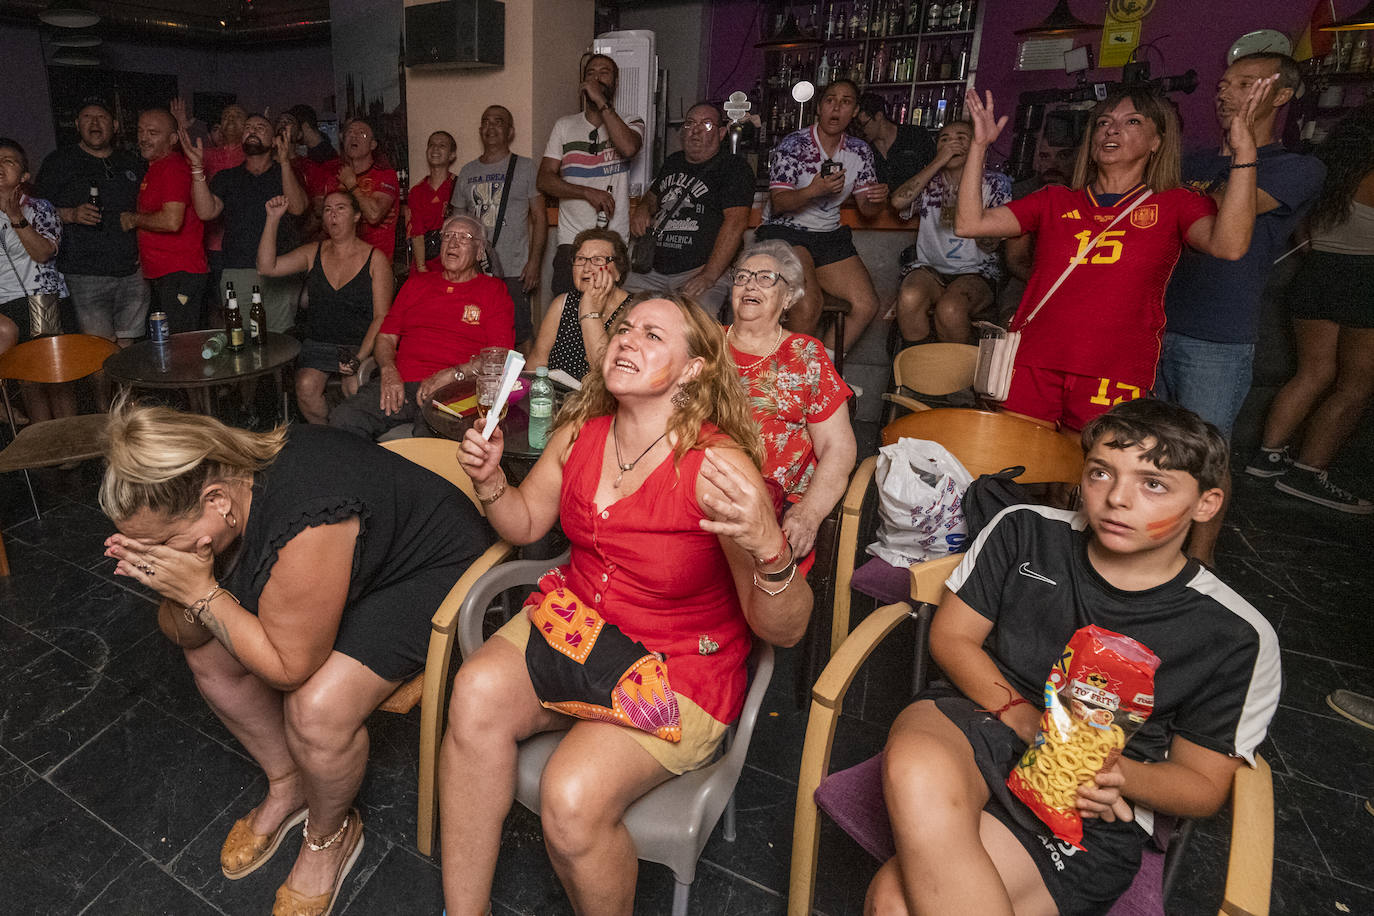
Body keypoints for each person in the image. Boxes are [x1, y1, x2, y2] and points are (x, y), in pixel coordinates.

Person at [439, 292, 812, 915]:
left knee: (571, 796)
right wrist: (491, 481)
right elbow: (526, 522)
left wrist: (771, 549)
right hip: (577, 626)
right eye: (624, 328)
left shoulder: (717, 467)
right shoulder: (580, 432)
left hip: (677, 665)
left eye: (653, 335)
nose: (627, 340)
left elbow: (786, 630)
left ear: (693, 370)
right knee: (473, 691)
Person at [866, 398, 1281, 916]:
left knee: (894, 902)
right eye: (1101, 473)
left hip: (1093, 795)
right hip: (981, 715)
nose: (1117, 499)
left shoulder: (1235, 634)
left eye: (1153, 484)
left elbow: (1202, 786)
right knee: (917, 769)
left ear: (1206, 503)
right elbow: (952, 638)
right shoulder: (1026, 530)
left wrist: (1115, 775)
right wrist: (1024, 718)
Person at [99, 400, 493, 916]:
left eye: (161, 544)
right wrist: (182, 587)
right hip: (352, 566)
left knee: (316, 710)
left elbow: (290, 669)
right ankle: (289, 784)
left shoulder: (305, 519)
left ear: (216, 500)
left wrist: (198, 591)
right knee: (211, 656)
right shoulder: (228, 502)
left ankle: (330, 835)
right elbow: (186, 637)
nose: (154, 559)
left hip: (433, 568)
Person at [954, 81, 1274, 432]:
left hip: (1115, 369)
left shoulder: (1176, 203)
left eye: (1132, 121)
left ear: (1157, 142)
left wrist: (1245, 153)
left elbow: (1230, 245)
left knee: (1091, 464)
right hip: (1033, 360)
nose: (1112, 129)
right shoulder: (1054, 199)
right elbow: (970, 223)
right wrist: (979, 148)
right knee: (1016, 461)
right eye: (1104, 122)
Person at [1158, 53, 1324, 561]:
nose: (1226, 92)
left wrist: (1240, 149)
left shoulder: (1296, 168)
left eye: (1246, 83)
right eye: (1224, 83)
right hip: (1153, 322)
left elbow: (1230, 209)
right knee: (1144, 443)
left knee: (1206, 453)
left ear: (1282, 95)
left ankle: (1201, 560)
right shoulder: (1191, 162)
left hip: (1218, 332)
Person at [1246, 104, 1374, 514]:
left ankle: (1267, 457)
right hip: (1363, 278)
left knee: (1312, 373)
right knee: (1355, 386)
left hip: (1316, 273)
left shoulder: (1325, 173)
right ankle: (1307, 473)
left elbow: (1303, 232)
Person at [726, 241, 856, 562]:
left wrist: (808, 514)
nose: (750, 284)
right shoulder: (704, 343)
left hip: (773, 512)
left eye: (765, 278)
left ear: (788, 298)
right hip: (699, 498)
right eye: (742, 277)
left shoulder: (805, 354)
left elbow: (838, 448)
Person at [330, 214, 513, 440]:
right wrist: (388, 370)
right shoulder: (416, 284)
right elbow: (386, 338)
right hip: (401, 384)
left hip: (455, 390)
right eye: (448, 236)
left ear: (479, 251)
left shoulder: (493, 291)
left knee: (427, 443)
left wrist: (453, 375)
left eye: (464, 237)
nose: (453, 243)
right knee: (342, 420)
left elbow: (500, 356)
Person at [756, 79, 888, 353]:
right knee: (808, 305)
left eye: (846, 102)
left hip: (828, 236)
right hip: (786, 232)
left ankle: (818, 370)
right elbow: (779, 203)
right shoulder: (794, 144)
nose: (836, 107)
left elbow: (867, 210)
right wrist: (813, 191)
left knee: (866, 305)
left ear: (854, 111)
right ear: (819, 107)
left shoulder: (859, 150)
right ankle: (790, 375)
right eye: (830, 100)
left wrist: (877, 199)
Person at [259, 192, 391, 424]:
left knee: (353, 387)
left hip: (358, 344)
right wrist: (272, 219)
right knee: (305, 386)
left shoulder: (375, 259)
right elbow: (267, 267)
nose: (333, 215)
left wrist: (359, 358)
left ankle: (353, 438)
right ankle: (328, 436)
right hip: (319, 344)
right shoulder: (313, 252)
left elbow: (382, 317)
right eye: (328, 209)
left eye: (340, 208)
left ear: (356, 216)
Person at [34, 99, 148, 347]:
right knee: (99, 347)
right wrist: (70, 214)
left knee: (128, 342)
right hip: (84, 272)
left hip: (132, 269)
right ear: (77, 124)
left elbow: (149, 208)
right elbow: (35, 210)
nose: (95, 123)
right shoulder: (59, 161)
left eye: (102, 117)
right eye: (87, 117)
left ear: (115, 125)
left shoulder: (131, 161)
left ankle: (124, 377)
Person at [624, 102, 754, 316]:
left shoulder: (734, 168)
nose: (696, 130)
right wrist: (642, 209)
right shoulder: (673, 162)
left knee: (695, 322)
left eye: (707, 124)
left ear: (722, 133)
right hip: (652, 269)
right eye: (690, 123)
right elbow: (652, 197)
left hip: (699, 270)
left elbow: (736, 223)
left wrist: (709, 276)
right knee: (619, 310)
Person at [183, 113, 309, 332]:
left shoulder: (286, 172)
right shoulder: (227, 177)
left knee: (281, 338)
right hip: (238, 268)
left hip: (281, 268)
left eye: (261, 127)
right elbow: (206, 211)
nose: (252, 130)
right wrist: (196, 168)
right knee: (241, 337)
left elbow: (298, 207)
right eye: (248, 127)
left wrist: (285, 162)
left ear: (274, 141)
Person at [890, 120, 1011, 345]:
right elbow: (898, 201)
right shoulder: (930, 182)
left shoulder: (994, 183)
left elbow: (991, 244)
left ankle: (955, 368)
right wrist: (938, 162)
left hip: (976, 271)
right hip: (931, 269)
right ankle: (920, 363)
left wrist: (969, 209)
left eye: (961, 138)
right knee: (909, 298)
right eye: (944, 140)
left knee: (950, 309)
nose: (952, 143)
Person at [538, 53, 644, 296]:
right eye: (591, 73)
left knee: (607, 311)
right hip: (571, 242)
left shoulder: (631, 121)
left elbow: (629, 148)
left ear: (615, 83)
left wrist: (601, 102)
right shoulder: (564, 125)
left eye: (604, 73)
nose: (596, 78)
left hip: (612, 242)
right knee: (567, 311)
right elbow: (544, 179)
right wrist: (587, 192)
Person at [451, 105, 547, 349]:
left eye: (498, 122)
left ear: (510, 131)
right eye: (486, 121)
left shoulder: (525, 167)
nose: (490, 127)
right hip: (475, 269)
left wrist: (534, 262)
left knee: (520, 332)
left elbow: (540, 217)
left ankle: (527, 374)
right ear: (480, 129)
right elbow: (457, 222)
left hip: (514, 268)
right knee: (475, 330)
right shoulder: (467, 171)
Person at [0, 137, 75, 425]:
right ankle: (44, 442)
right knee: (28, 379)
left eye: (8, 161)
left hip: (43, 296)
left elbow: (43, 252)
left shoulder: (40, 208)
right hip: (6, 303)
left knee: (55, 376)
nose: (0, 166)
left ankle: (71, 440)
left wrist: (16, 216)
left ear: (24, 175)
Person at [121, 108, 208, 332]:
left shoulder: (173, 167)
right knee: (170, 342)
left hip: (180, 273)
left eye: (153, 133)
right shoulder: (156, 167)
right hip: (164, 273)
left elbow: (171, 221)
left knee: (183, 344)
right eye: (140, 131)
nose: (144, 138)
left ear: (173, 139)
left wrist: (133, 219)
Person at [528, 227, 633, 380]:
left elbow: (606, 375)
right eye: (581, 259)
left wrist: (589, 309)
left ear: (618, 272)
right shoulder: (562, 304)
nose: (586, 268)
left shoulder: (634, 312)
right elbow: (537, 362)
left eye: (598, 260)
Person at [321, 118, 399, 262]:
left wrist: (351, 185)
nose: (354, 137)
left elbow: (374, 215)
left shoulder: (385, 175)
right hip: (341, 261)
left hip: (375, 262)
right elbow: (326, 225)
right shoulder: (334, 177)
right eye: (349, 133)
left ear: (373, 144)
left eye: (361, 134)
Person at [854, 92, 936, 191]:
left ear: (879, 116)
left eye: (863, 125)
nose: (860, 131)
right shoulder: (862, 148)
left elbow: (936, 170)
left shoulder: (916, 135)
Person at [406, 130, 457, 273]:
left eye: (442, 145)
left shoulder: (458, 185)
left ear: (452, 155)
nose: (435, 148)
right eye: (431, 145)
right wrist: (422, 268)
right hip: (424, 263)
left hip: (453, 262)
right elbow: (416, 232)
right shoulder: (417, 191)